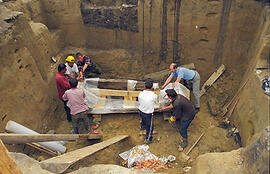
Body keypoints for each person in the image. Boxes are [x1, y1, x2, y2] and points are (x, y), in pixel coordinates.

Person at [138, 79, 158, 144]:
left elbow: (139, 102)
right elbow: (156, 102)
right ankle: (148, 139)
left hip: (141, 111)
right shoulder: (154, 95)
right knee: (150, 127)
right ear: (152, 87)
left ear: (144, 86)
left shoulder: (140, 94)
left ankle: (142, 126)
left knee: (143, 120)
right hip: (148, 113)